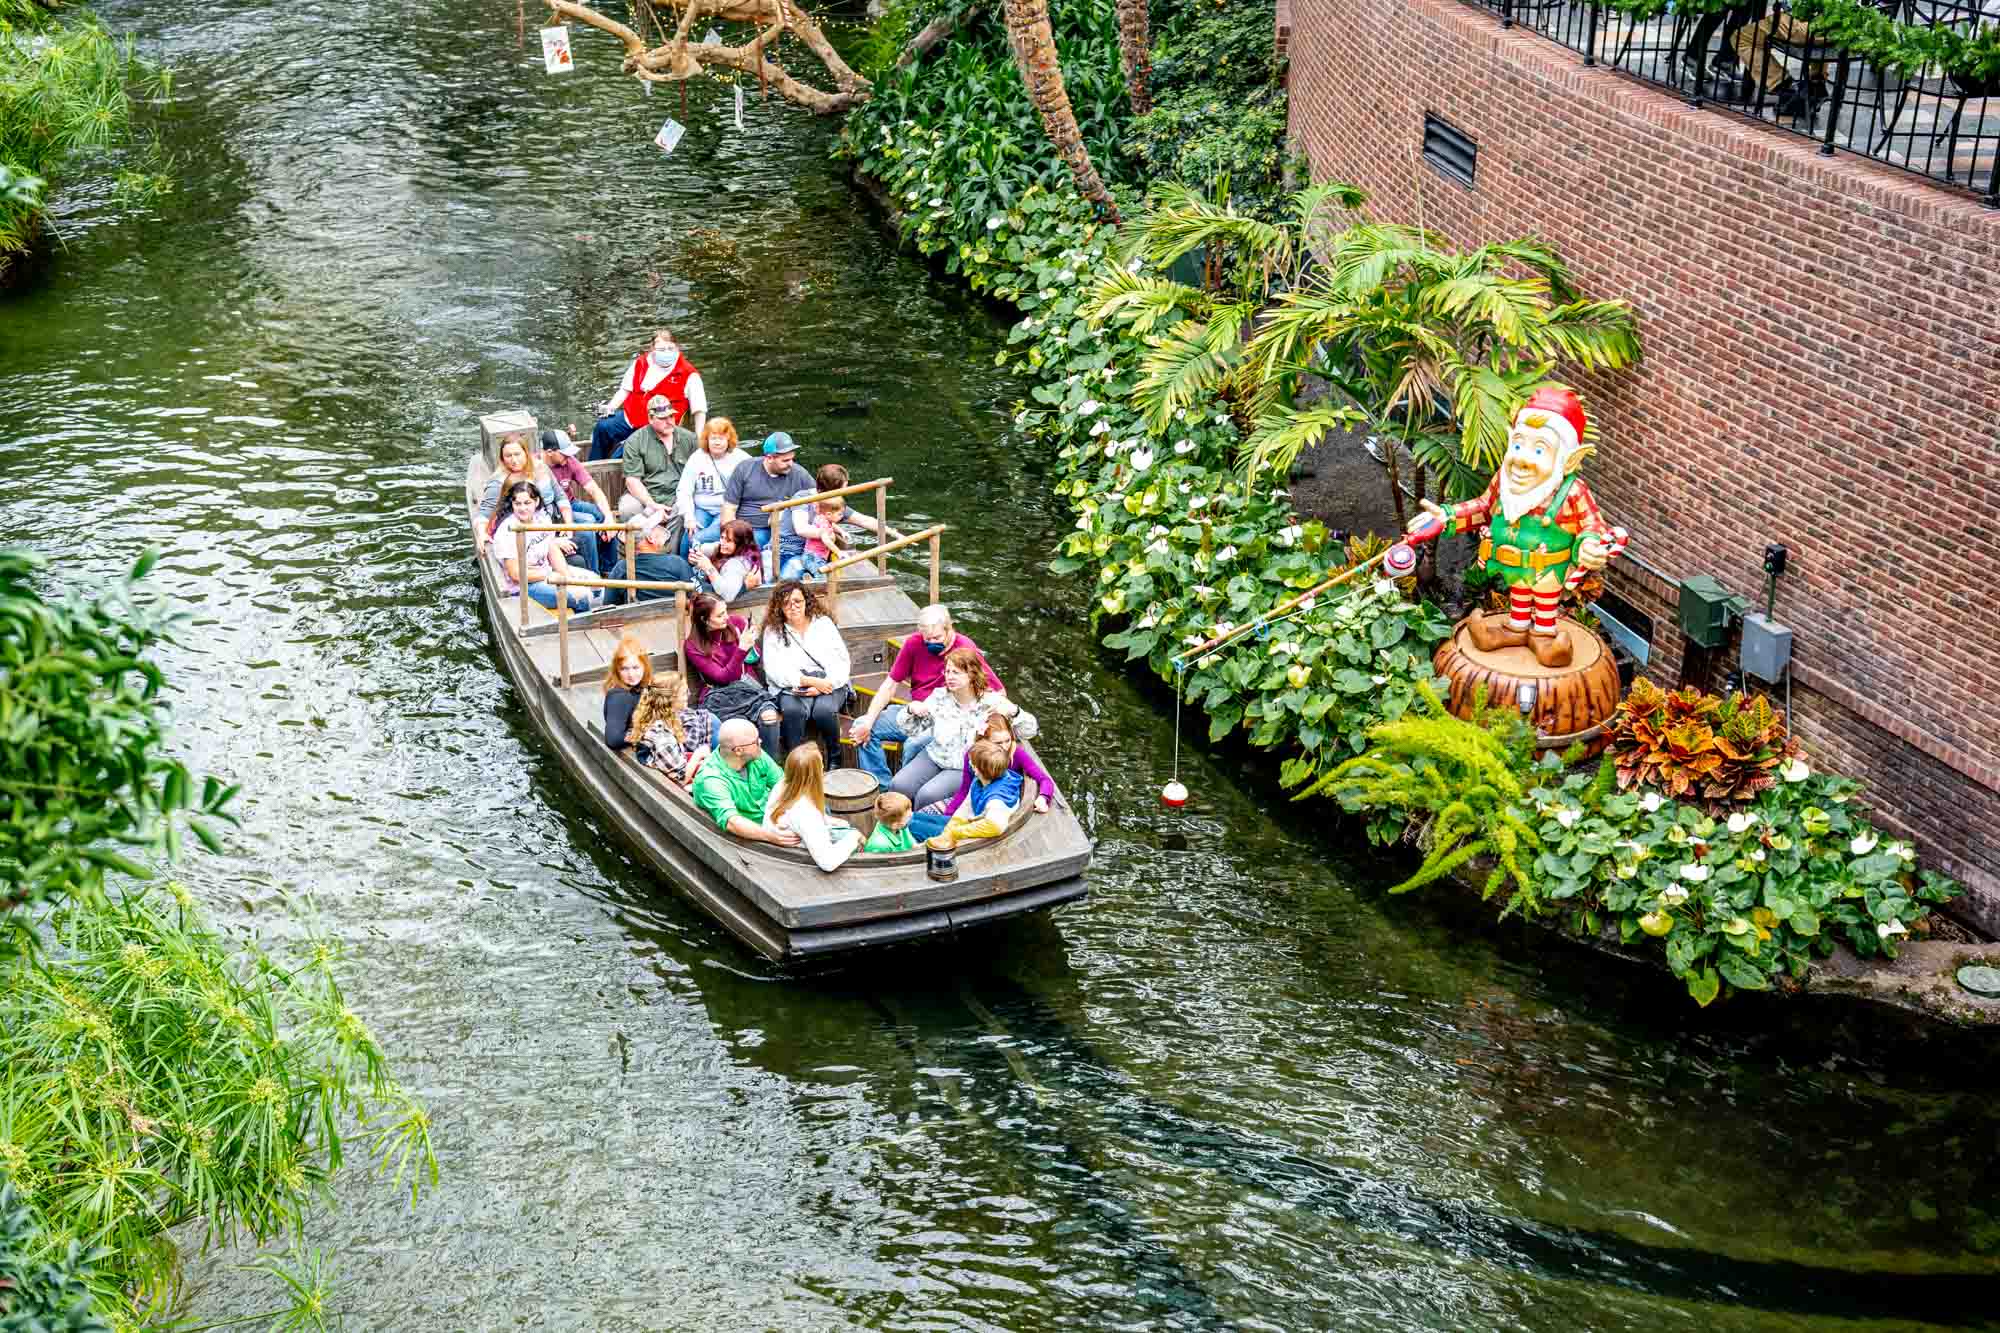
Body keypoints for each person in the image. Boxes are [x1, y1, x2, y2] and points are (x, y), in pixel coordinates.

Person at [849, 604, 1005, 784]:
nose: (931, 643)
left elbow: (998, 691)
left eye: (937, 637)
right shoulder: (913, 644)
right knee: (861, 725)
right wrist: (869, 721)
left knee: (913, 744)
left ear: (949, 629)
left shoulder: (966, 649)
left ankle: (905, 792)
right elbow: (890, 685)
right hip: (915, 712)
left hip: (944, 719)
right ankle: (883, 787)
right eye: (927, 639)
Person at [888, 647, 1035, 810]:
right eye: (947, 671)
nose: (949, 676)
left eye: (956, 672)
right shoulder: (939, 697)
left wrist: (1014, 711)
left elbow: (1030, 731)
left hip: (965, 767)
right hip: (934, 756)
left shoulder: (992, 702)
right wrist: (910, 710)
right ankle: (896, 824)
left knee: (927, 795)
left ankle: (918, 830)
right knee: (899, 784)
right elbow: (910, 730)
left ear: (972, 674)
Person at [908, 711, 1053, 841]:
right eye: (998, 742)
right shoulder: (974, 756)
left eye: (1007, 740)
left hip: (982, 817)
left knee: (912, 825)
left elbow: (1044, 779)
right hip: (974, 808)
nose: (1004, 747)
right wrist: (950, 817)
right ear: (983, 741)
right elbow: (966, 791)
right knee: (913, 817)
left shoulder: (1014, 758)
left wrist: (1043, 797)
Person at [758, 579, 850, 761]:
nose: (793, 607)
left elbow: (841, 661)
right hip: (792, 684)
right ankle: (796, 762)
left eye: (797, 601)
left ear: (806, 601)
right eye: (786, 603)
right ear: (779, 607)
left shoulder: (823, 624)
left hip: (827, 681)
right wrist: (806, 681)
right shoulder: (773, 631)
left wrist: (826, 684)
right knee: (793, 711)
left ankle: (835, 757)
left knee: (823, 711)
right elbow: (774, 670)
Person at [682, 591, 783, 757]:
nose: (726, 617)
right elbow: (723, 677)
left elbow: (753, 659)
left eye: (726, 611)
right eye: (720, 615)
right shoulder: (693, 646)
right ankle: (746, 772)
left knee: (769, 717)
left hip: (747, 688)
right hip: (718, 696)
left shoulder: (735, 623)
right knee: (737, 732)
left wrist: (751, 646)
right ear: (704, 619)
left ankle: (769, 766)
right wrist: (742, 648)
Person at [589, 329, 706, 461]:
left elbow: (699, 409)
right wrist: (610, 408)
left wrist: (699, 438)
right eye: (661, 349)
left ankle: (614, 467)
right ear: (652, 349)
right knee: (603, 427)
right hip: (630, 419)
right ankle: (592, 468)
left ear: (677, 348)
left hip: (657, 428)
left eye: (670, 348)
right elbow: (625, 390)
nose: (666, 352)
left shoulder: (689, 373)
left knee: (624, 453)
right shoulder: (641, 363)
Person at [490, 480, 597, 614]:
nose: (522, 508)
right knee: (582, 596)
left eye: (527, 503)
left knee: (596, 583)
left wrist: (567, 577)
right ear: (512, 504)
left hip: (546, 572)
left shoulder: (542, 519)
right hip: (525, 586)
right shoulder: (508, 530)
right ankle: (581, 628)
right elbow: (516, 574)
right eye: (517, 504)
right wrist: (549, 575)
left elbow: (551, 549)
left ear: (537, 501)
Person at [689, 718, 800, 846]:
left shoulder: (755, 755)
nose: (760, 741)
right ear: (738, 751)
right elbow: (732, 822)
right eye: (756, 741)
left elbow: (783, 785)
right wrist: (770, 836)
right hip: (747, 839)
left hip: (775, 819)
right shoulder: (711, 779)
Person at [618, 394, 700, 556]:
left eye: (671, 416)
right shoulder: (635, 441)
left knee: (681, 510)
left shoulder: (689, 438)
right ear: (650, 418)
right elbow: (632, 481)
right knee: (627, 507)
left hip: (678, 494)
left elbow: (701, 470)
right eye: (663, 418)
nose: (670, 421)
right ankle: (635, 557)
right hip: (647, 495)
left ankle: (671, 559)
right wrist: (652, 505)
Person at [913, 739, 1030, 848]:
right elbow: (966, 808)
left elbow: (996, 826)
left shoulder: (997, 800)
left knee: (912, 826)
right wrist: (950, 828)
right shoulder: (982, 779)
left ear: (977, 769)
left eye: (971, 762)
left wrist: (954, 833)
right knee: (912, 816)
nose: (968, 762)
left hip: (974, 838)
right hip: (970, 822)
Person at [763, 745, 860, 872]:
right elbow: (828, 863)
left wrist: (826, 819)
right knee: (851, 834)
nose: (823, 769)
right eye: (821, 766)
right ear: (813, 776)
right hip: (797, 862)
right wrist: (855, 836)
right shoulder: (805, 813)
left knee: (844, 824)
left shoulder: (782, 784)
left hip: (786, 845)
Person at [720, 431, 814, 556]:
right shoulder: (745, 468)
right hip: (738, 525)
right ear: (769, 458)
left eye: (792, 459)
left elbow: (822, 496)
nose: (791, 464)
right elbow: (729, 508)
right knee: (696, 539)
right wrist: (730, 537)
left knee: (750, 546)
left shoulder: (799, 473)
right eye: (785, 460)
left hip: (769, 529)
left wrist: (845, 515)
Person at [477, 432, 570, 557]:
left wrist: (568, 525)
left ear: (526, 453)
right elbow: (483, 514)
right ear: (502, 458)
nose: (514, 460)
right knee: (584, 539)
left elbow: (561, 496)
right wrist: (481, 533)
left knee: (588, 530)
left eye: (517, 454)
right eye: (508, 456)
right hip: (529, 532)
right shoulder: (498, 482)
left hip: (552, 520)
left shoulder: (540, 467)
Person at [541, 428, 619, 574]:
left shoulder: (569, 461)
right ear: (550, 452)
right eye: (564, 453)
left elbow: (594, 490)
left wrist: (609, 518)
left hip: (570, 503)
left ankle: (610, 568)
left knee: (601, 515)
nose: (569, 456)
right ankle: (593, 574)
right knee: (588, 526)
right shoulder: (537, 466)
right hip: (551, 511)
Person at [675, 417, 750, 552]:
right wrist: (689, 516)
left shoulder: (741, 458)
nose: (717, 442)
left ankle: (703, 567)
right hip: (702, 508)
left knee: (698, 538)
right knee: (688, 536)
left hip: (727, 509)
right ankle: (683, 569)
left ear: (728, 439)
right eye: (713, 438)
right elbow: (684, 490)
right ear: (706, 440)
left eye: (721, 438)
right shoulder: (697, 458)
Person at [628, 674, 715, 787]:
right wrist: (699, 754)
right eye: (684, 693)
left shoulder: (655, 718)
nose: (688, 695)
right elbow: (681, 778)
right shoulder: (661, 736)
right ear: (671, 699)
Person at [689, 519, 765, 602]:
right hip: (708, 591)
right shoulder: (727, 548)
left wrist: (709, 568)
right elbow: (702, 548)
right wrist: (695, 556)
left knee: (678, 564)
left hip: (714, 599)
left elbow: (727, 596)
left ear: (740, 543)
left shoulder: (737, 564)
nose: (722, 542)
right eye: (722, 537)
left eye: (728, 540)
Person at [602, 635, 652, 752]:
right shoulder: (620, 697)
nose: (631, 674)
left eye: (635, 667)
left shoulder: (641, 687)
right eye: (624, 669)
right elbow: (613, 739)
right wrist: (645, 735)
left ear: (645, 666)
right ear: (617, 670)